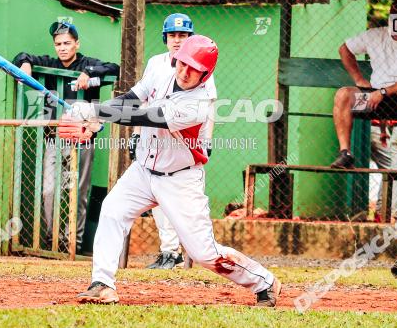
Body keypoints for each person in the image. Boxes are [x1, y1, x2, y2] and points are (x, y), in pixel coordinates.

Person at [63, 35, 281, 307]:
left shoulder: (199, 102)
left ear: (206, 73)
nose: (186, 72)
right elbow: (131, 100)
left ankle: (264, 282)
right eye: (183, 64)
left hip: (180, 178)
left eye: (195, 69)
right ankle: (102, 284)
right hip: (143, 170)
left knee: (203, 253)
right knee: (111, 211)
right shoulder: (159, 69)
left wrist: (95, 111)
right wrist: (99, 116)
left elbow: (149, 116)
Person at [13, 21, 120, 253]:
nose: (62, 48)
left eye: (67, 43)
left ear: (76, 44)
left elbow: (115, 68)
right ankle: (53, 242)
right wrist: (25, 64)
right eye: (58, 43)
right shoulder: (49, 64)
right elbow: (21, 56)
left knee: (78, 194)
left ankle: (73, 244)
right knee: (49, 190)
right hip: (53, 139)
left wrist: (88, 73)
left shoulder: (87, 64)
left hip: (83, 140)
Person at [140, 13, 218, 269]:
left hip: (184, 142)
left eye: (182, 35)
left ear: (190, 38)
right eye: (172, 35)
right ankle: (169, 252)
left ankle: (194, 253)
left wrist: (206, 140)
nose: (177, 40)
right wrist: (134, 136)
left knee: (185, 204)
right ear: (165, 38)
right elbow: (143, 101)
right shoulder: (155, 63)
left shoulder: (199, 65)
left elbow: (209, 108)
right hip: (154, 140)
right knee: (158, 199)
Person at [330, 3, 397, 171]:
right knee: (343, 95)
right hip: (372, 99)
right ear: (390, 19)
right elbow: (344, 49)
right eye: (395, 19)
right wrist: (358, 79)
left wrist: (384, 92)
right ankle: (345, 154)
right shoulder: (376, 35)